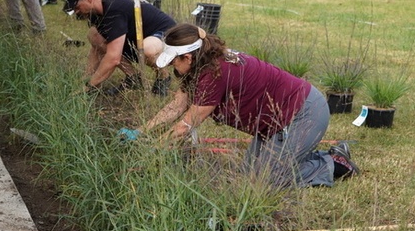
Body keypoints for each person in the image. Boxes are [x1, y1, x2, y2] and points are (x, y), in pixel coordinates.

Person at [137, 23, 358, 188]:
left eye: (174, 60)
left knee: (264, 182)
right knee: (248, 173)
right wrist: (140, 132)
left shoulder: (214, 74)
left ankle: (333, 162)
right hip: (274, 125)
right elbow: (176, 106)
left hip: (302, 114)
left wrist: (152, 149)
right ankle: (314, 155)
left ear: (188, 57)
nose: (172, 66)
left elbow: (187, 123)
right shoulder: (202, 65)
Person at [63, 0, 176, 96]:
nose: (76, 12)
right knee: (94, 35)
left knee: (146, 49)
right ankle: (134, 78)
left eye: (76, 7)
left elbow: (113, 58)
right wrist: (85, 80)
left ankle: (164, 76)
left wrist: (90, 86)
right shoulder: (95, 12)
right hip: (135, 38)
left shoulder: (114, 10)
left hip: (165, 33)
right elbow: (96, 50)